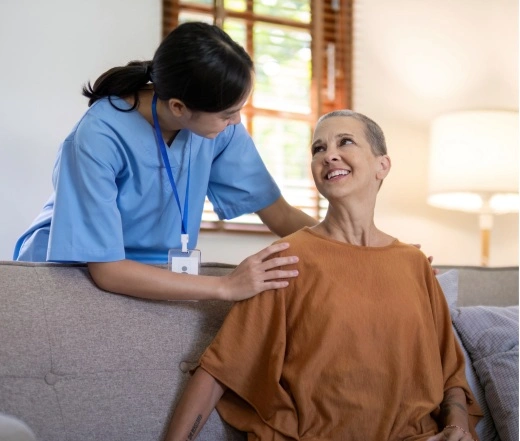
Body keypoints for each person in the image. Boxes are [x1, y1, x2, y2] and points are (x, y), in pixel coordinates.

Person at [164, 110, 482, 441]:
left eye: (345, 142)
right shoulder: (285, 259)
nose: (328, 155)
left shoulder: (414, 264)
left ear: (382, 165)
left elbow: (451, 378)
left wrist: (457, 428)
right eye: (318, 149)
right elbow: (220, 370)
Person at [13, 22, 317, 302]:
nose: (236, 120)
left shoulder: (219, 129)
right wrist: (226, 286)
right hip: (73, 272)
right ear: (179, 107)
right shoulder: (97, 137)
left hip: (154, 273)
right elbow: (108, 271)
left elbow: (280, 214)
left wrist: (356, 245)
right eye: (228, 113)